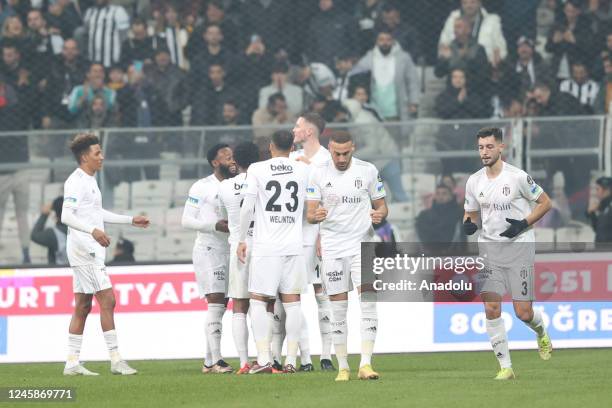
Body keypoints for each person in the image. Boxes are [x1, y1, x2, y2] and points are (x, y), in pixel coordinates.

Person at [463, 127, 553, 380]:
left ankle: (541, 332)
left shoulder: (518, 177)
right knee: (491, 307)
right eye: (481, 147)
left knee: (523, 312)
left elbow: (546, 202)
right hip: (489, 249)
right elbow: (470, 212)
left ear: (501, 147)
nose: (484, 152)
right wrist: (468, 223)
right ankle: (505, 367)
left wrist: (523, 224)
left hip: (519, 249)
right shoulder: (474, 181)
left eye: (489, 147)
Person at [61, 132, 150, 376]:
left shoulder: (90, 180)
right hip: (84, 247)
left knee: (83, 305)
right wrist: (94, 231)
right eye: (97, 153)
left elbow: (97, 212)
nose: (102, 157)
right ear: (84, 157)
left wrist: (131, 220)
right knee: (107, 300)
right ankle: (116, 360)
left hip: (88, 246)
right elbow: (66, 216)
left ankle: (71, 363)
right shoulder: (76, 181)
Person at [306, 130, 388, 382]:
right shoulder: (318, 172)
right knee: (338, 308)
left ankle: (366, 364)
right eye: (336, 153)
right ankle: (343, 366)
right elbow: (310, 213)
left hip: (363, 245)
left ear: (353, 148)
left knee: (368, 303)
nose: (341, 158)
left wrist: (380, 215)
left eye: (346, 153)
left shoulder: (368, 170)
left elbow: (382, 205)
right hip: (333, 248)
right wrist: (315, 216)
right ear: (330, 149)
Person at [237, 130, 309, 374]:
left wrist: (241, 238)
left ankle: (265, 358)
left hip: (267, 246)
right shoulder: (302, 170)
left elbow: (247, 208)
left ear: (270, 146)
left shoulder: (257, 169)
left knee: (258, 301)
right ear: (291, 146)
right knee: (293, 302)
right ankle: (290, 360)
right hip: (294, 245)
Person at [182, 143, 236, 374]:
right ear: (215, 162)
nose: (231, 160)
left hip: (230, 250)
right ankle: (217, 360)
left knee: (222, 305)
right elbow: (186, 220)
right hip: (208, 250)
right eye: (226, 156)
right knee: (215, 303)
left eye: (233, 156)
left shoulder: (238, 184)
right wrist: (213, 225)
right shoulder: (202, 186)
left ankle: (208, 361)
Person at [290, 112, 334, 371]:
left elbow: (332, 200)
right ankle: (304, 355)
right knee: (293, 297)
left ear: (309, 131)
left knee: (322, 295)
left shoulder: (327, 160)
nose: (294, 129)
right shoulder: (291, 158)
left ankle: (326, 355)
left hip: (316, 238)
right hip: (292, 238)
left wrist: (322, 234)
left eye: (297, 126)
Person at [217, 142, 260, 375]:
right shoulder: (263, 181)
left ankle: (244, 362)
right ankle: (269, 358)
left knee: (239, 306)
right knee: (265, 304)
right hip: (262, 247)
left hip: (239, 248)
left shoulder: (224, 186)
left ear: (236, 161)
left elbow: (225, 217)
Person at [354, 29, 419, 121]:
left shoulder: (404, 58)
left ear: (393, 41)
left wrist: (414, 102)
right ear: (376, 41)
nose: (385, 43)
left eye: (388, 40)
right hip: (374, 113)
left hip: (396, 111)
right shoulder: (367, 59)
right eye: (381, 39)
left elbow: (413, 81)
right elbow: (356, 79)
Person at [82, 0, 130, 68]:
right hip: (93, 60)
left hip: (112, 60)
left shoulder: (118, 11)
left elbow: (124, 36)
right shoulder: (89, 12)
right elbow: (86, 33)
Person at [30, 196, 68, 265]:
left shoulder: (53, 234)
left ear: (55, 214)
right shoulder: (82, 230)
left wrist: (44, 214)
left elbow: (34, 235)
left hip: (59, 273)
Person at [587, 176, 612, 243]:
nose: (596, 193)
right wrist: (592, 213)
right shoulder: (603, 208)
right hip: (601, 251)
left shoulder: (609, 208)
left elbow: (604, 235)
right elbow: (599, 229)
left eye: (598, 189)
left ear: (607, 190)